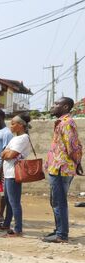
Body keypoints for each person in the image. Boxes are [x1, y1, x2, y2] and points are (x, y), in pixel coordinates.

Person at [43, 97, 83, 243]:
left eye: (56, 104)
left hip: (61, 169)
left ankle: (61, 235)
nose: (53, 106)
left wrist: (77, 163)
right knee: (55, 201)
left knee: (59, 202)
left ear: (65, 107)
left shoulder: (67, 123)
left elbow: (73, 146)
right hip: (57, 168)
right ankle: (58, 230)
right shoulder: (61, 122)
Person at [0, 114, 32, 237]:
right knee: (9, 201)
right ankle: (6, 223)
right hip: (8, 172)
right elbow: (3, 153)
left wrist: (6, 153)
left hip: (14, 173)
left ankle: (18, 229)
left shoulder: (23, 138)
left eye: (13, 123)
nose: (11, 126)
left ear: (21, 125)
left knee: (14, 202)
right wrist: (6, 153)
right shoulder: (15, 138)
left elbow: (9, 155)